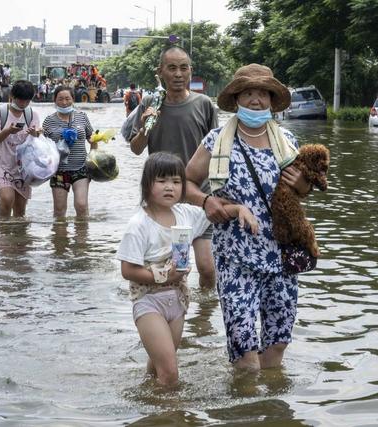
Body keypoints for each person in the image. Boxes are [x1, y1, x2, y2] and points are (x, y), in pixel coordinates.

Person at [184, 64, 313, 371]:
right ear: (237, 99)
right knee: (244, 353)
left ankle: (267, 411)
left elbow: (302, 191)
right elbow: (185, 182)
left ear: (271, 101)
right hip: (235, 257)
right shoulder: (216, 140)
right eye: (249, 94)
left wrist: (302, 185)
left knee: (278, 343)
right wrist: (206, 201)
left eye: (263, 95)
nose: (256, 101)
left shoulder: (288, 141)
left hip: (281, 257)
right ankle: (244, 408)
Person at [116, 152, 257, 387]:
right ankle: (172, 416)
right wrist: (162, 275)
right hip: (149, 301)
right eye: (161, 181)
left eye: (176, 181)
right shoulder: (139, 225)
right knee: (171, 374)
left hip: (178, 301)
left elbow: (218, 209)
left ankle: (151, 403)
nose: (169, 187)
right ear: (147, 184)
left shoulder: (186, 214)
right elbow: (127, 270)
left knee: (159, 366)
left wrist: (240, 209)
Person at [122, 45, 219, 289]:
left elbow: (217, 151)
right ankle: (174, 311)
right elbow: (135, 148)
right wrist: (145, 128)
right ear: (160, 72)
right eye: (171, 68)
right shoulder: (150, 105)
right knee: (173, 268)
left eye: (183, 68)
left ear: (190, 71)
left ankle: (203, 321)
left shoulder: (204, 104)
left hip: (198, 195)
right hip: (164, 198)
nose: (178, 74)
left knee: (207, 269)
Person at [0, 80, 41, 217]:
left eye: (27, 101)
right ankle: (3, 232)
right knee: (6, 199)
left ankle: (19, 237)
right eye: (20, 100)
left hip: (24, 168)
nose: (23, 104)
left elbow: (36, 141)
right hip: (2, 164)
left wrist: (35, 134)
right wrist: (8, 131)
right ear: (12, 96)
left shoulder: (32, 114)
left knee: (20, 208)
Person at [42, 86, 97, 218]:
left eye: (67, 98)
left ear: (73, 99)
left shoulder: (82, 117)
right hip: (59, 170)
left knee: (81, 205)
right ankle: (60, 238)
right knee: (59, 210)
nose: (64, 102)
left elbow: (92, 137)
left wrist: (94, 156)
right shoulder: (48, 121)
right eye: (60, 99)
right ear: (54, 100)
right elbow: (42, 145)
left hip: (81, 168)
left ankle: (82, 238)